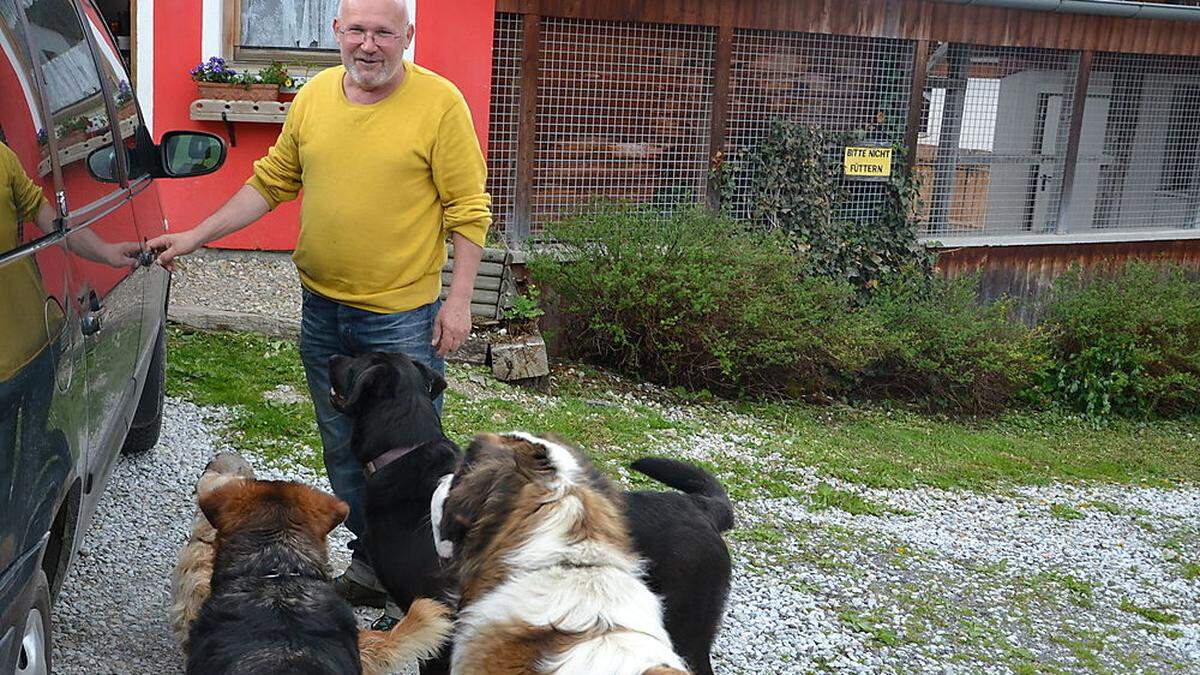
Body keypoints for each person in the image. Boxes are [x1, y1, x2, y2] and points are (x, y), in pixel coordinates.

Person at [146, 0, 491, 627]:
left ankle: (423, 592)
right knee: (342, 444)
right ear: (336, 31)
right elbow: (273, 180)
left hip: (398, 317)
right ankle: (369, 561)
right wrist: (196, 234)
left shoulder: (440, 104)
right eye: (356, 29)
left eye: (383, 31)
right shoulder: (313, 97)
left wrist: (460, 298)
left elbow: (468, 207)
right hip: (323, 307)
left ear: (407, 36)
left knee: (414, 464)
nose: (368, 44)